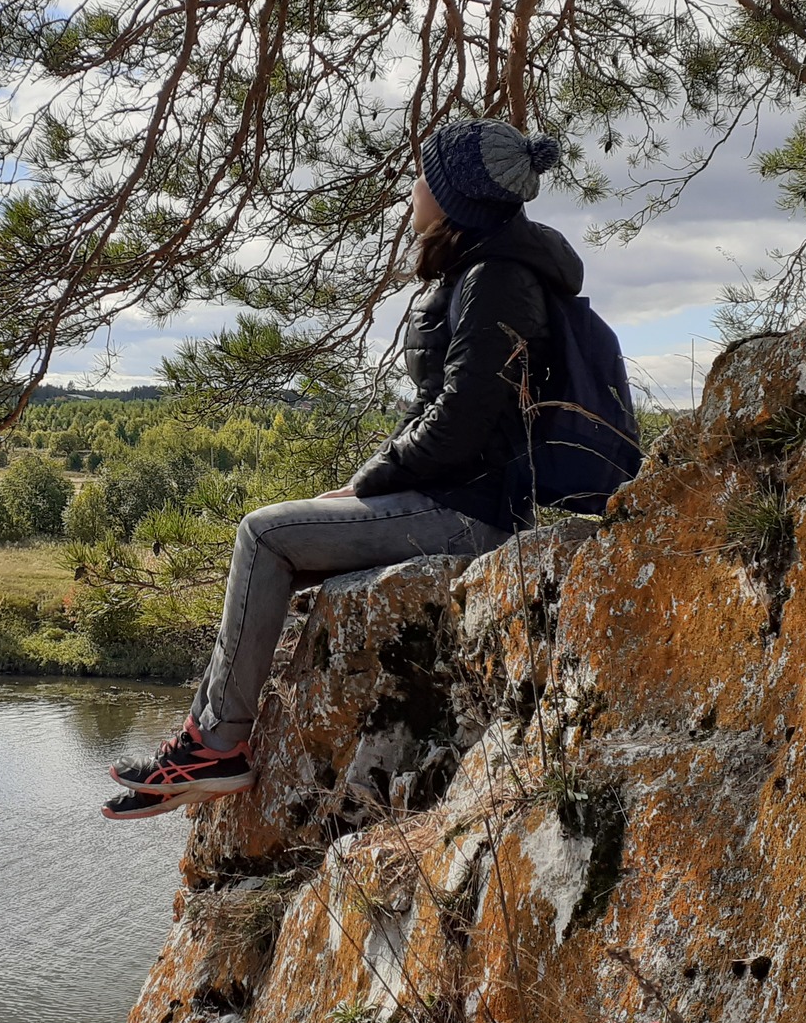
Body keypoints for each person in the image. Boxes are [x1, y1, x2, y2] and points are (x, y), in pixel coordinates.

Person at [102, 118, 585, 820]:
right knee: (278, 541)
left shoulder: (496, 278)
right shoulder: (484, 269)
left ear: (455, 199)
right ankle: (202, 743)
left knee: (264, 536)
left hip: (469, 511)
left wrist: (369, 483)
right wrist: (371, 479)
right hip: (455, 496)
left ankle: (216, 747)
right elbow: (446, 409)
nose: (414, 187)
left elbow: (461, 420)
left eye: (426, 177)